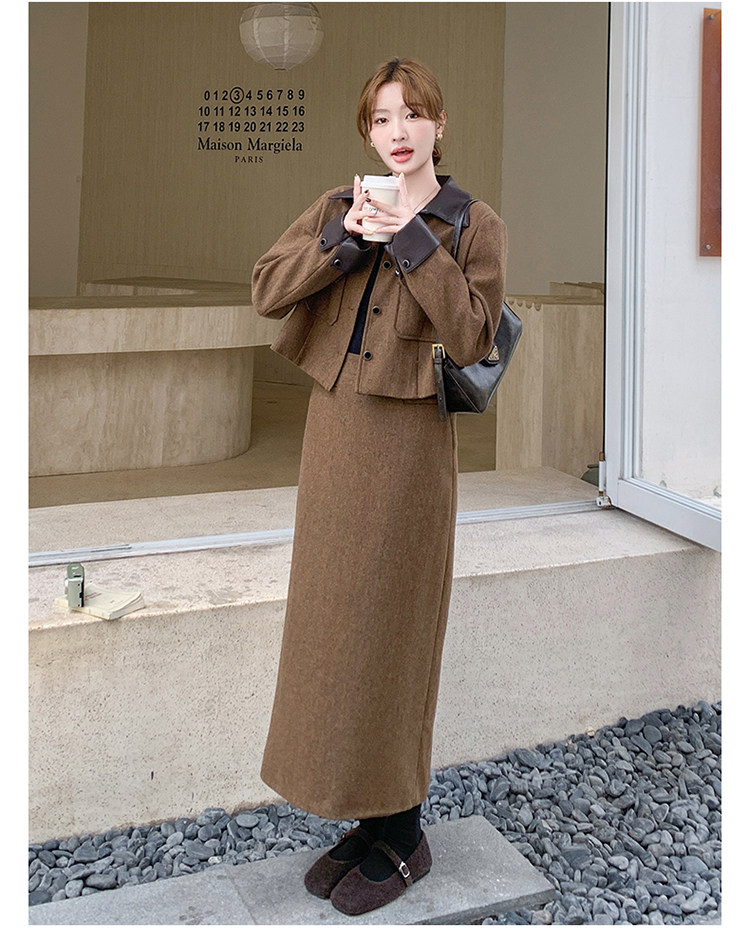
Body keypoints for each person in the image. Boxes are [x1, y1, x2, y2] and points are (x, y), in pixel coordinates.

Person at [251, 56, 507, 916]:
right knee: (333, 630)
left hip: (408, 451)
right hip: (332, 438)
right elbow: (265, 289)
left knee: (393, 628)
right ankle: (366, 816)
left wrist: (411, 243)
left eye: (413, 115)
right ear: (368, 131)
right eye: (382, 118)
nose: (398, 132)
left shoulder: (472, 224)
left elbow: (473, 336)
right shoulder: (339, 204)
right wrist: (344, 242)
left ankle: (403, 831)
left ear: (439, 124)